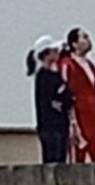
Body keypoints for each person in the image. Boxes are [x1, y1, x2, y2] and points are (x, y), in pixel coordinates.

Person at [61, 27, 95, 164]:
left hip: (94, 118)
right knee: (79, 157)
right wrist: (72, 124)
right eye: (84, 37)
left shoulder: (92, 66)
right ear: (74, 44)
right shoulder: (68, 65)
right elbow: (66, 94)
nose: (88, 40)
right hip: (79, 118)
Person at [27, 36, 73, 165]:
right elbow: (50, 101)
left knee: (62, 160)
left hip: (61, 125)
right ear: (46, 53)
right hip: (50, 127)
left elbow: (67, 98)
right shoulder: (43, 77)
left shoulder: (56, 76)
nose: (58, 53)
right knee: (52, 159)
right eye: (54, 50)